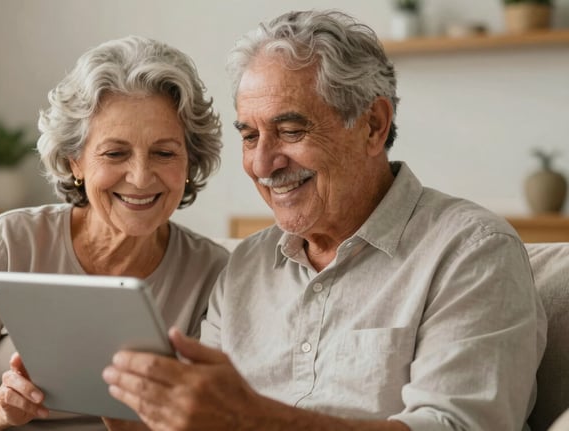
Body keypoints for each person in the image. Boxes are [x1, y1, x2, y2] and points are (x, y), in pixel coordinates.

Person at [102, 10, 547, 431]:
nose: (262, 164)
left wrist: (254, 420)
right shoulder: (244, 267)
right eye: (250, 136)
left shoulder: (472, 251)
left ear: (373, 125)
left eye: (291, 131)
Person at [0, 35, 228, 431]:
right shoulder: (10, 241)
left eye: (164, 153)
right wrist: (0, 405)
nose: (141, 177)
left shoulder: (213, 274)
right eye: (115, 153)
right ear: (74, 161)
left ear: (190, 161)